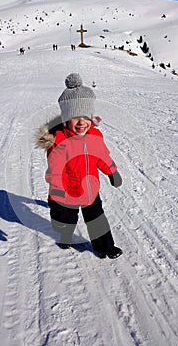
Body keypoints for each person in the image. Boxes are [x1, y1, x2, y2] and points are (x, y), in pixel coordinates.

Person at [36, 73, 123, 259]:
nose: (81, 122)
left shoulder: (95, 136)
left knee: (97, 220)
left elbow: (102, 157)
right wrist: (56, 192)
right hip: (67, 192)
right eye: (75, 117)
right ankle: (66, 235)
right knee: (66, 219)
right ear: (66, 118)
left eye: (85, 116)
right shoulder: (59, 141)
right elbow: (54, 170)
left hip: (90, 189)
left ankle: (105, 246)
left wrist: (112, 171)